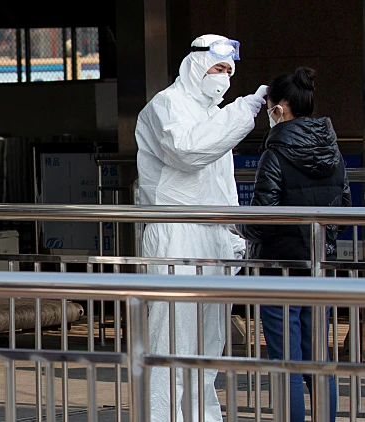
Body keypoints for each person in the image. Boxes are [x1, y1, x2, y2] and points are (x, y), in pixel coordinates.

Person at [135, 34, 266, 421]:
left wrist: (231, 233)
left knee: (208, 347)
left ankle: (202, 417)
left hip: (211, 236)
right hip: (176, 233)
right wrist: (245, 110)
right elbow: (188, 151)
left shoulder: (215, 114)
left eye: (228, 69)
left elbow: (220, 185)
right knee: (172, 340)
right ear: (194, 64)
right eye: (216, 66)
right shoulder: (166, 105)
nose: (222, 76)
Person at [236, 67, 349, 422]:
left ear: (280, 108)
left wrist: (239, 228)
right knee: (319, 359)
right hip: (319, 265)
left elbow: (263, 217)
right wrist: (323, 241)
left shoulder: (276, 152)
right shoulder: (332, 149)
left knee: (286, 361)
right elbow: (344, 208)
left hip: (279, 270)